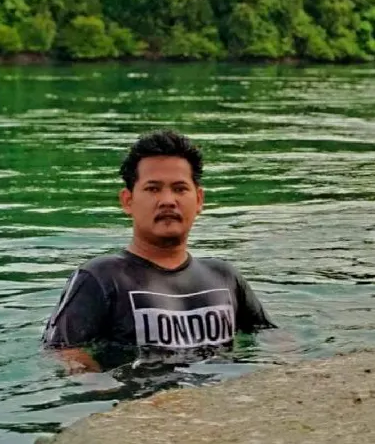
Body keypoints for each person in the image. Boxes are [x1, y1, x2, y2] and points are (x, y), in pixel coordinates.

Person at [42, 130, 275, 372]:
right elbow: (62, 352)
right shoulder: (100, 278)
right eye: (153, 189)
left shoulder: (224, 277)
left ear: (199, 200)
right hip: (140, 402)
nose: (167, 200)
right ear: (127, 201)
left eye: (179, 188)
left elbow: (272, 338)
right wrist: (104, 389)